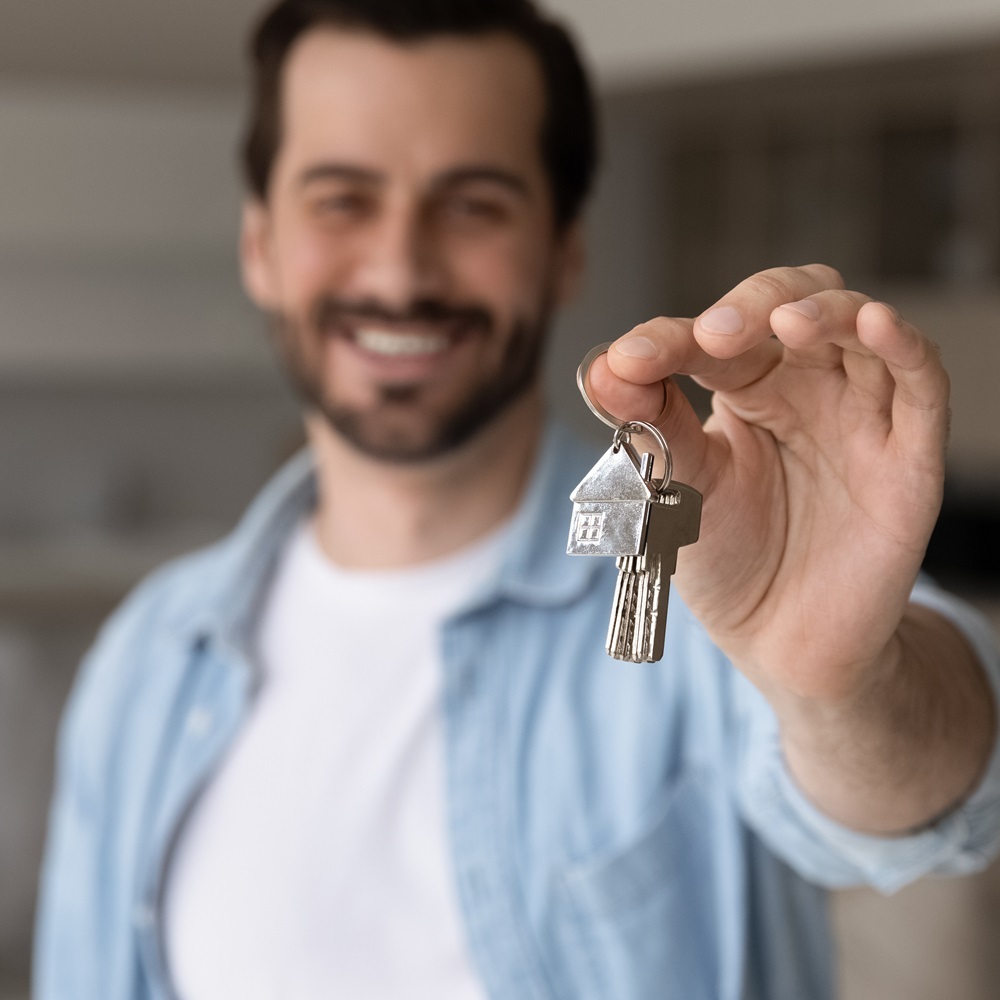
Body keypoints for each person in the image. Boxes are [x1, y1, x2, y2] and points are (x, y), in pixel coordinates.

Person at [35, 1, 1000, 998]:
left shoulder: (704, 588)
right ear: (260, 245)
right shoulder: (147, 656)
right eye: (341, 199)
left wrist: (841, 686)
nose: (402, 268)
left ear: (563, 249)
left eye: (474, 204)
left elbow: (931, 794)